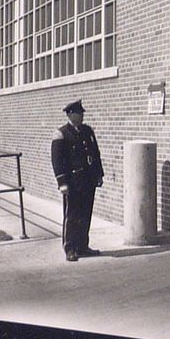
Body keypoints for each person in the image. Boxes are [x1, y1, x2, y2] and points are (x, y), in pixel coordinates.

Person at [51, 99, 105, 261]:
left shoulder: (87, 131)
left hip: (88, 180)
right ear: (70, 114)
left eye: (82, 113)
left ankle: (82, 245)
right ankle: (70, 247)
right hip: (73, 182)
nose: (82, 116)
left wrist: (99, 174)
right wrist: (62, 183)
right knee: (72, 215)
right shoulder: (61, 134)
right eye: (79, 113)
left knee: (85, 214)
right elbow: (57, 161)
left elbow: (95, 153)